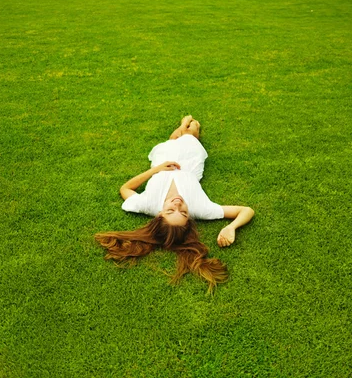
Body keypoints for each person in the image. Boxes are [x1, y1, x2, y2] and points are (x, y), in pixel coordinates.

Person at [95, 116, 254, 292]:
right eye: (184, 212)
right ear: (190, 219)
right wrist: (231, 227)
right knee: (192, 129)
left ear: (160, 215)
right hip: (190, 158)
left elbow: (125, 189)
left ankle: (181, 126)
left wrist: (156, 169)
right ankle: (187, 127)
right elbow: (246, 210)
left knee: (173, 139)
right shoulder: (201, 209)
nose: (178, 204)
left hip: (163, 159)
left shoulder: (148, 204)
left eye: (171, 210)